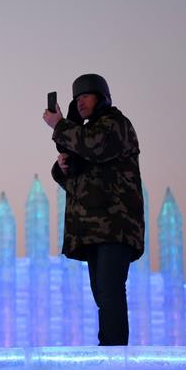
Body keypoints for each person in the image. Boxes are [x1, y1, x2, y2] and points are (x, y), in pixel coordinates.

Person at [42, 73, 144, 346]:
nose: (80, 101)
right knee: (102, 293)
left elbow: (94, 145)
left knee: (110, 290)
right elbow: (81, 180)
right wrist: (63, 167)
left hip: (115, 225)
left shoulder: (115, 124)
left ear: (101, 97)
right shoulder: (88, 133)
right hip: (95, 230)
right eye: (76, 97)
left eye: (85, 95)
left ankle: (114, 352)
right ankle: (108, 348)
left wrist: (60, 125)